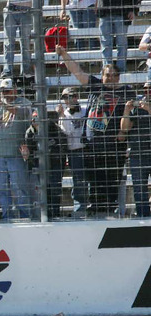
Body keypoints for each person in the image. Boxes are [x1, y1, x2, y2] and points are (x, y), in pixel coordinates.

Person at [57, 44, 132, 215]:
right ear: (102, 76)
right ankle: (96, 211)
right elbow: (78, 72)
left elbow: (131, 117)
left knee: (112, 182)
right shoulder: (96, 86)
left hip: (114, 146)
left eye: (114, 75)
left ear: (119, 77)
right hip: (92, 144)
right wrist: (64, 54)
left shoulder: (127, 92)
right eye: (108, 75)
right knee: (93, 181)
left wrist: (124, 132)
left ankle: (111, 211)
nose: (111, 78)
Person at [0, 78, 33, 220]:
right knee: (0, 187)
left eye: (7, 91)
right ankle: (6, 215)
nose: (5, 93)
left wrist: (2, 103)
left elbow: (20, 113)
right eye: (2, 91)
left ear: (15, 89)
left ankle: (24, 215)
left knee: (19, 186)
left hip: (16, 152)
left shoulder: (24, 102)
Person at [24, 109, 67, 219]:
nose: (35, 120)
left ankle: (56, 212)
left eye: (37, 117)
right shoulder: (29, 133)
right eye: (33, 118)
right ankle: (46, 214)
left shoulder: (53, 128)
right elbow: (30, 152)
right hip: (40, 164)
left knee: (55, 186)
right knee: (44, 188)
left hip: (56, 162)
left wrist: (57, 157)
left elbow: (62, 143)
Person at [119, 85, 151, 218]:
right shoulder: (138, 104)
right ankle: (143, 217)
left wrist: (149, 110)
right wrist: (127, 111)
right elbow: (125, 129)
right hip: (138, 153)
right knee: (139, 189)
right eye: (146, 89)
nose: (148, 92)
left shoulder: (145, 106)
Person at [56, 86, 89, 217]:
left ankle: (91, 206)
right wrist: (62, 115)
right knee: (79, 180)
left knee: (91, 178)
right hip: (74, 151)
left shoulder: (85, 110)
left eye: (70, 96)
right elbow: (67, 132)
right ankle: (79, 207)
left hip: (87, 148)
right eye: (65, 98)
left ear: (76, 97)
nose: (68, 100)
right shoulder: (64, 115)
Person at [96, 0, 139, 73]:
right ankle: (107, 70)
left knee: (121, 43)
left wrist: (133, 10)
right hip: (104, 11)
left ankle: (121, 69)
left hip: (122, 11)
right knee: (106, 43)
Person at [1, 0, 33, 79]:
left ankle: (26, 71)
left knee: (25, 43)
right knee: (9, 43)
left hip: (26, 10)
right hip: (11, 9)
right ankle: (7, 71)